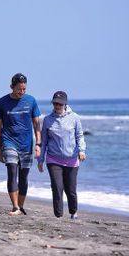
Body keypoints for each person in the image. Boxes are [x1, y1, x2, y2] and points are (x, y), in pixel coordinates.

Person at [0, 73, 41, 216]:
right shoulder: (1, 103)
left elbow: (37, 124)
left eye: (24, 89)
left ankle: (20, 206)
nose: (22, 92)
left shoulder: (31, 101)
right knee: (12, 171)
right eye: (19, 89)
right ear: (12, 87)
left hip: (26, 144)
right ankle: (15, 207)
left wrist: (38, 144)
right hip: (9, 141)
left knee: (24, 176)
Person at [37, 90, 86, 219]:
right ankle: (58, 216)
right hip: (53, 159)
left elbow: (79, 135)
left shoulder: (75, 117)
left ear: (65, 104)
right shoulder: (48, 120)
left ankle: (73, 212)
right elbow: (44, 141)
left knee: (70, 189)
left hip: (72, 159)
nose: (57, 106)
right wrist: (40, 160)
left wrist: (81, 150)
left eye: (60, 103)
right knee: (57, 187)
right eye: (55, 103)